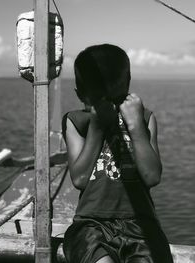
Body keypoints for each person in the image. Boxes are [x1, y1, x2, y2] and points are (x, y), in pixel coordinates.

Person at [62, 44, 173, 263]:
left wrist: (136, 128)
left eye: (117, 98)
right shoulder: (75, 121)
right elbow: (80, 179)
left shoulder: (144, 118)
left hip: (140, 224)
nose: (110, 106)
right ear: (81, 95)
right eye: (98, 100)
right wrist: (97, 127)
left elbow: (152, 176)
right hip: (91, 224)